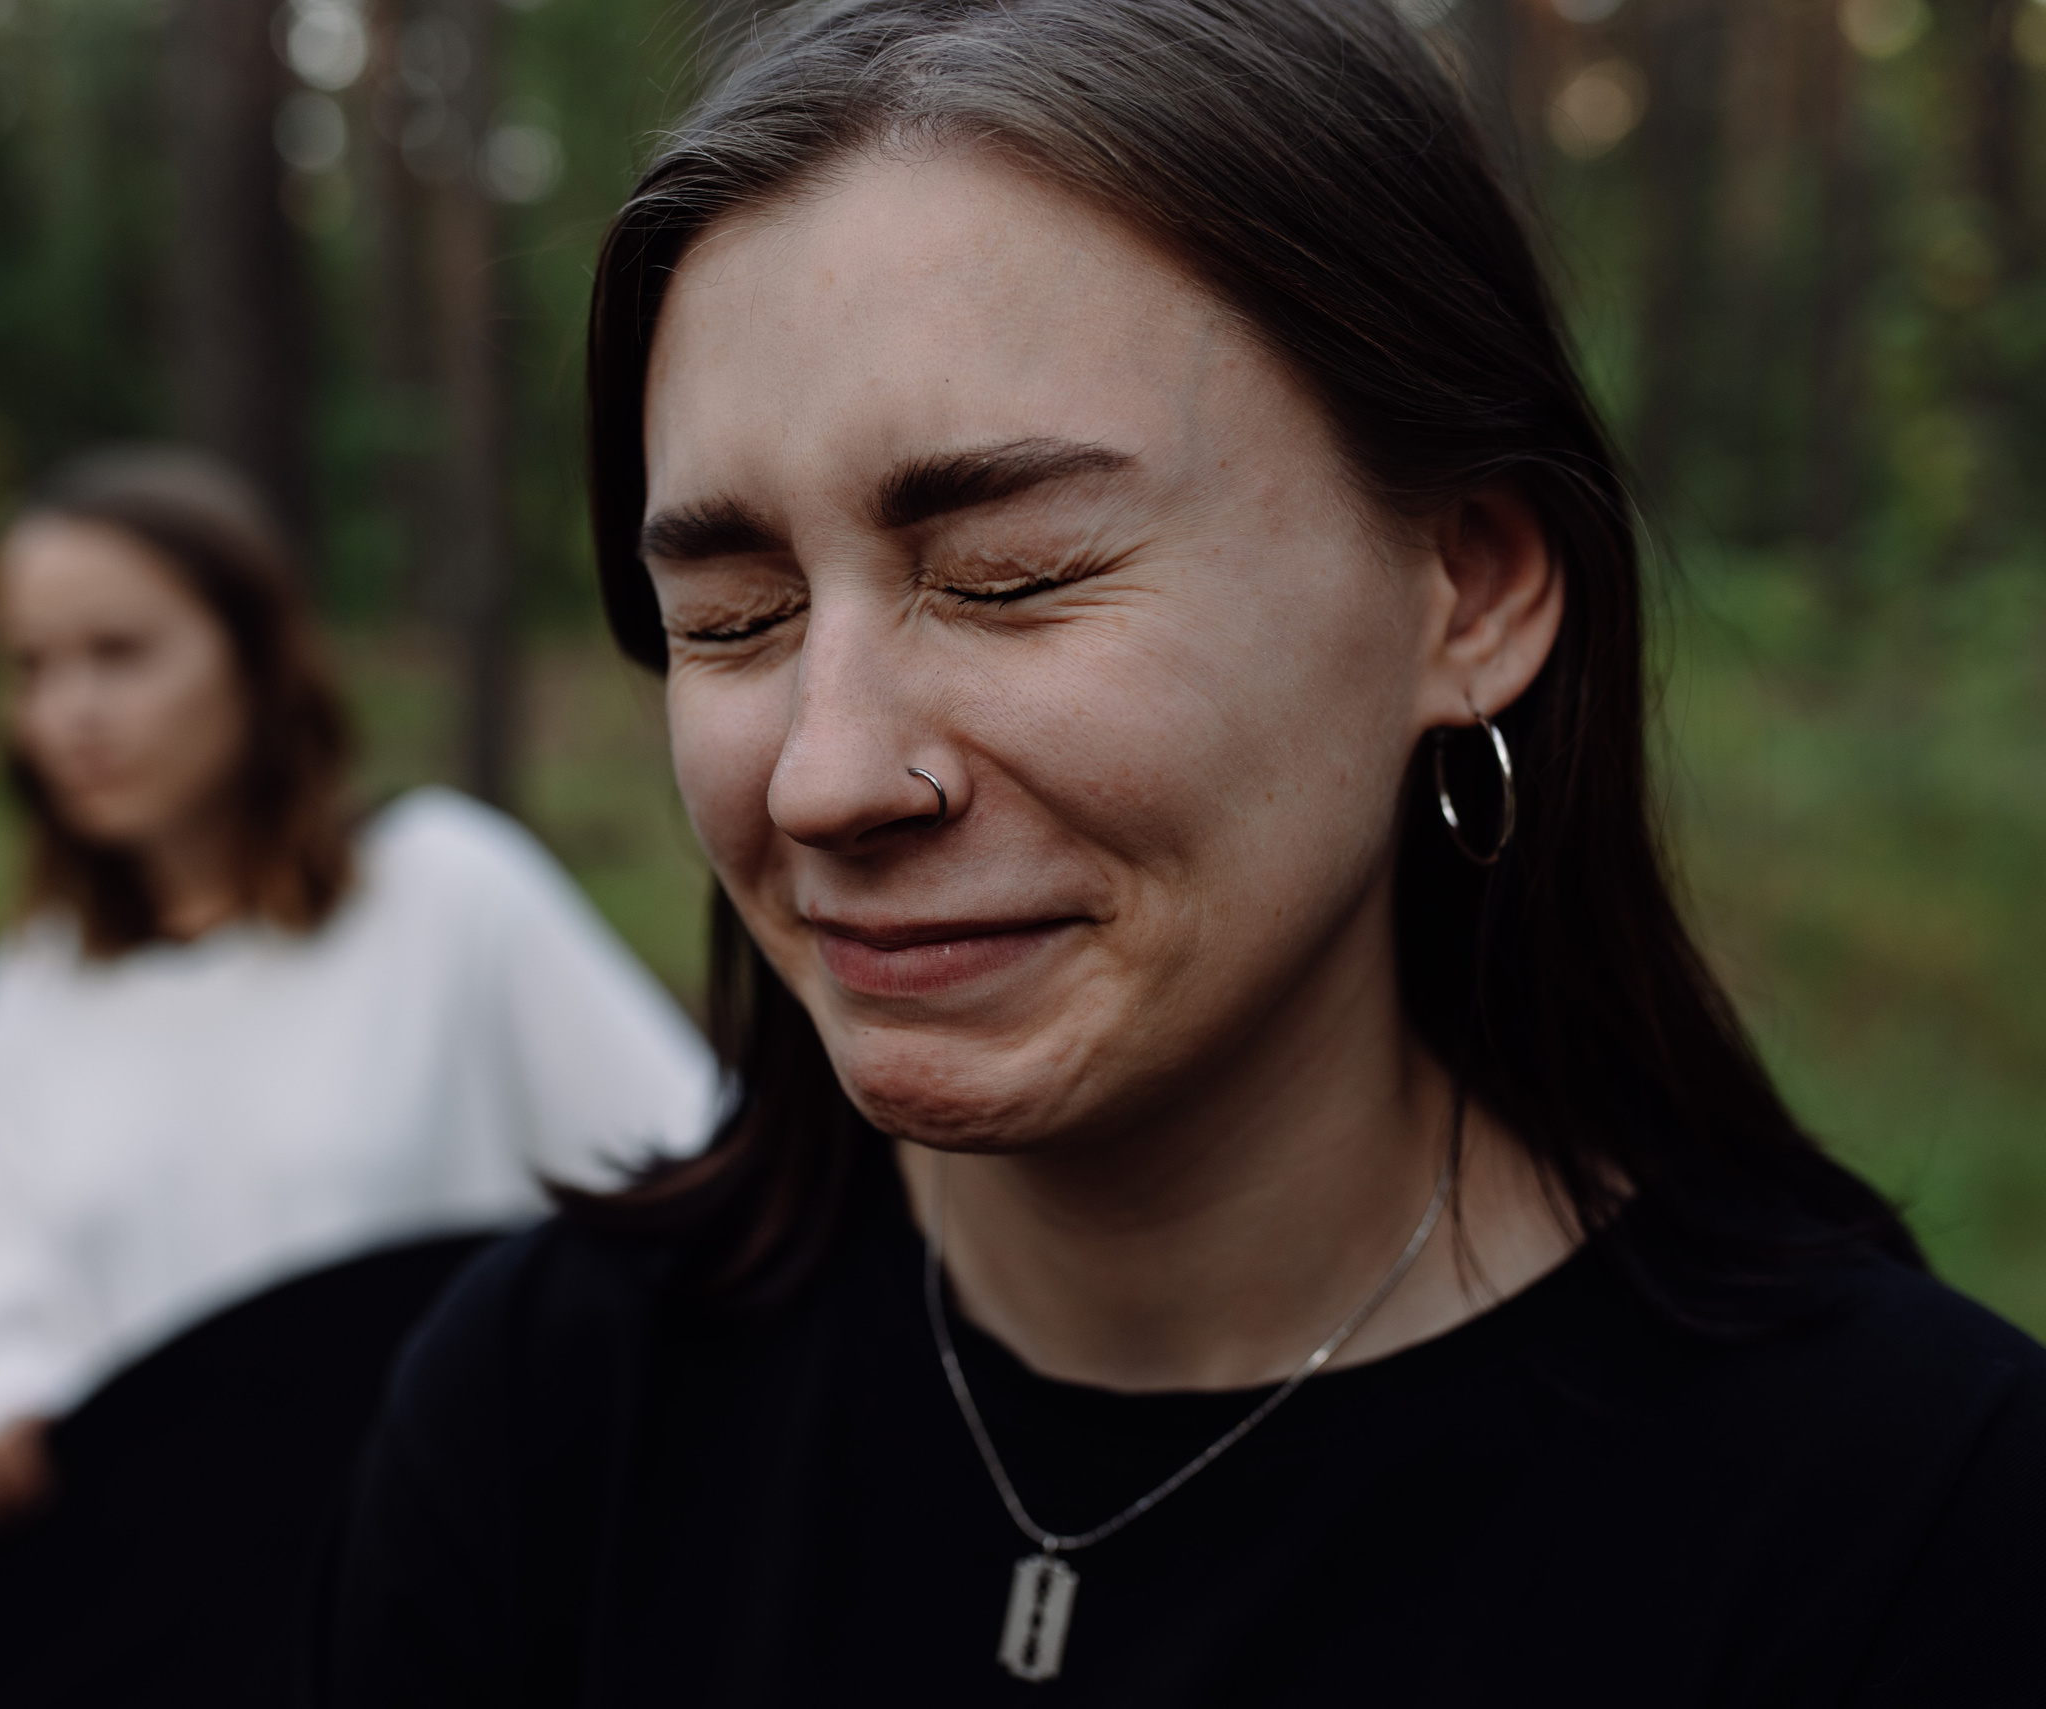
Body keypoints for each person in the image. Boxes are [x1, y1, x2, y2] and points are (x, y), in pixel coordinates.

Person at [328, 3, 2046, 1703]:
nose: (825, 774)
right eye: (733, 614)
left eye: (1014, 571)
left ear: (1472, 585)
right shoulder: (542, 1418)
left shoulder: (1909, 1528)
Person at [0, 446, 716, 1708]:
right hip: (189, 1626)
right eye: (33, 667)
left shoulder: (445, 895)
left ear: (255, 655)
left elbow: (691, 1180)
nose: (68, 711)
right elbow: (6, 1280)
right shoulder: (36, 983)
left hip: (491, 1595)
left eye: (119, 652)